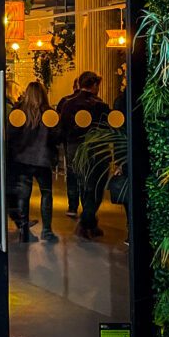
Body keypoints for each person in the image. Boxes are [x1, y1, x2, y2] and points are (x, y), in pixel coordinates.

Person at [58, 71, 110, 240]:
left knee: (84, 183)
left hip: (74, 148)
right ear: (94, 85)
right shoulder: (100, 105)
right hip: (96, 149)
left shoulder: (68, 103)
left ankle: (90, 222)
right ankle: (86, 221)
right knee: (95, 185)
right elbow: (107, 129)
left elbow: (62, 128)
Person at [9, 82, 58, 242]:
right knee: (46, 194)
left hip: (23, 160)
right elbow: (58, 136)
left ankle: (24, 232)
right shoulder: (49, 113)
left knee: (23, 195)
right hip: (43, 160)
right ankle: (47, 230)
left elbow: (11, 135)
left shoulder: (19, 112)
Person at [57, 78, 81, 216]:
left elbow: (60, 122)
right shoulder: (97, 102)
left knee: (71, 172)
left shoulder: (65, 101)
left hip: (70, 141)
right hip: (87, 142)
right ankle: (87, 207)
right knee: (85, 173)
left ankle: (72, 206)